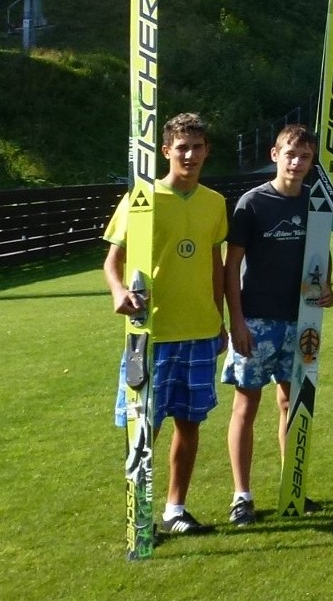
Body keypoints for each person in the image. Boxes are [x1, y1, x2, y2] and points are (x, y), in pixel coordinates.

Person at [103, 112, 229, 535]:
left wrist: (221, 319)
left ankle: (176, 510)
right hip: (152, 333)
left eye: (197, 148)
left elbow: (215, 264)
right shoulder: (143, 198)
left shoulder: (215, 202)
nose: (190, 155)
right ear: (166, 151)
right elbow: (112, 261)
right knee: (145, 426)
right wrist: (119, 293)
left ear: (207, 151)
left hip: (200, 331)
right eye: (182, 148)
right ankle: (139, 513)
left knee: (189, 423)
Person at [221, 125, 333, 524]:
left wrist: (328, 286)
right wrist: (235, 321)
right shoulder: (252, 204)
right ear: (275, 154)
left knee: (292, 402)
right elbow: (231, 266)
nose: (297, 162)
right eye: (290, 154)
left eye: (305, 156)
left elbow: (321, 251)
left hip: (300, 321)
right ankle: (242, 497)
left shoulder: (315, 201)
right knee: (245, 406)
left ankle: (293, 487)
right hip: (255, 320)